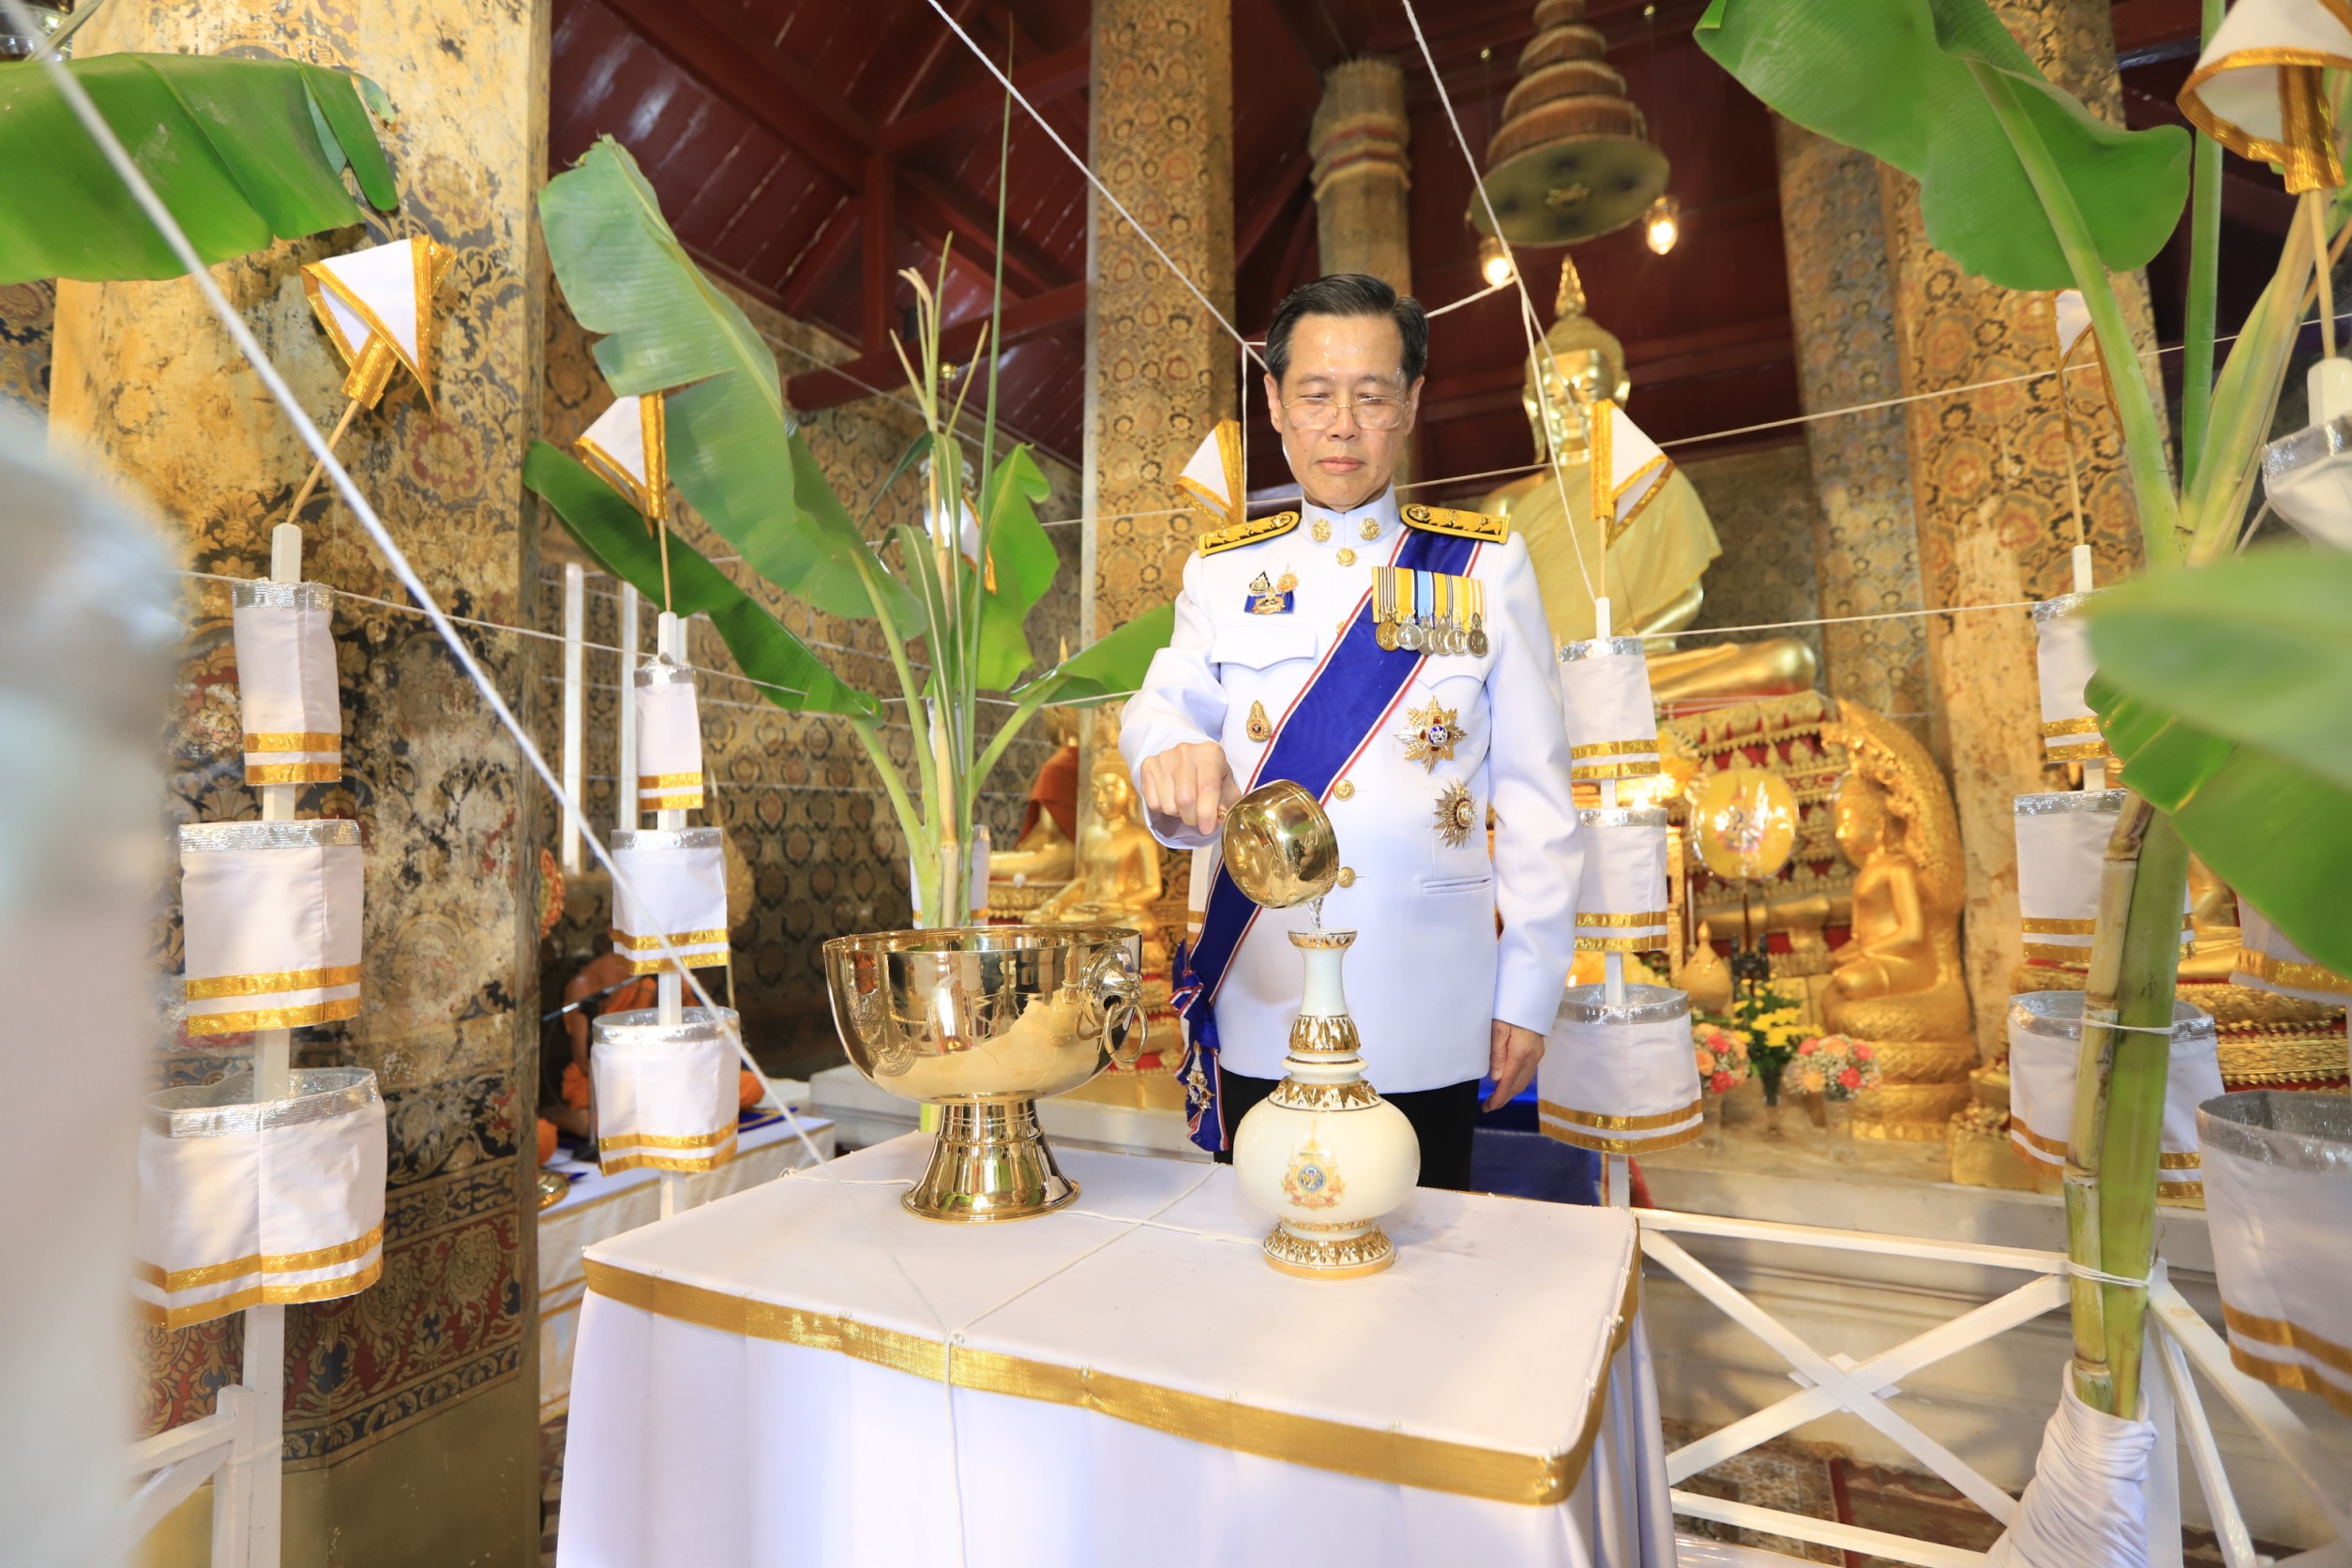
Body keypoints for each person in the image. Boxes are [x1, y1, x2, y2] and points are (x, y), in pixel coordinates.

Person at [1119, 273, 1582, 1190]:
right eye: (1316, 395)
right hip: (1266, 990)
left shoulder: (1484, 566)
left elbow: (1539, 796)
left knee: (1426, 1246)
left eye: (1370, 396)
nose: (1341, 426)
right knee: (1265, 1241)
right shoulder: (1222, 574)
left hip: (1427, 1000)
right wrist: (1165, 747)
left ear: (1409, 402)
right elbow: (1163, 701)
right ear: (1274, 404)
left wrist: (1529, 991)